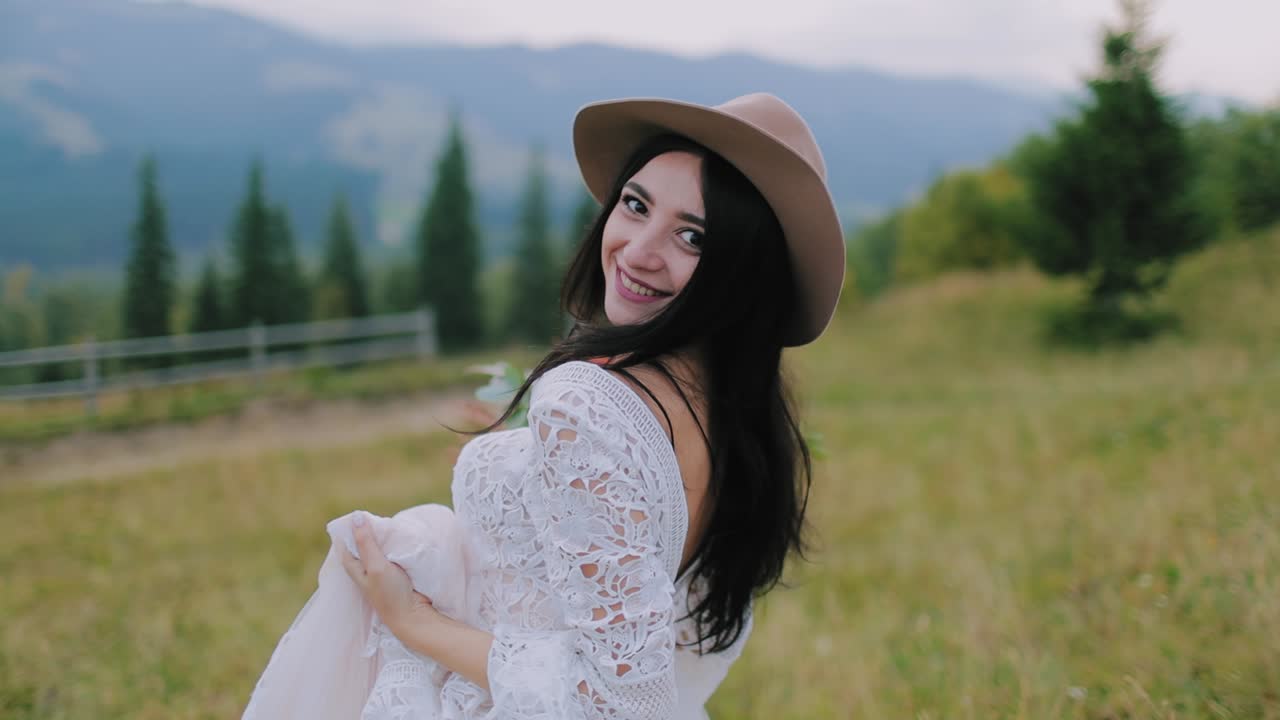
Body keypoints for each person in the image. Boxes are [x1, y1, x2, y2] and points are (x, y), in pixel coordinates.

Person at [275, 92, 844, 720]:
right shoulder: (738, 414)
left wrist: (411, 622)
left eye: (692, 236)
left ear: (744, 272)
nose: (637, 251)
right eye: (635, 205)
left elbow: (619, 698)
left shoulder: (588, 407)